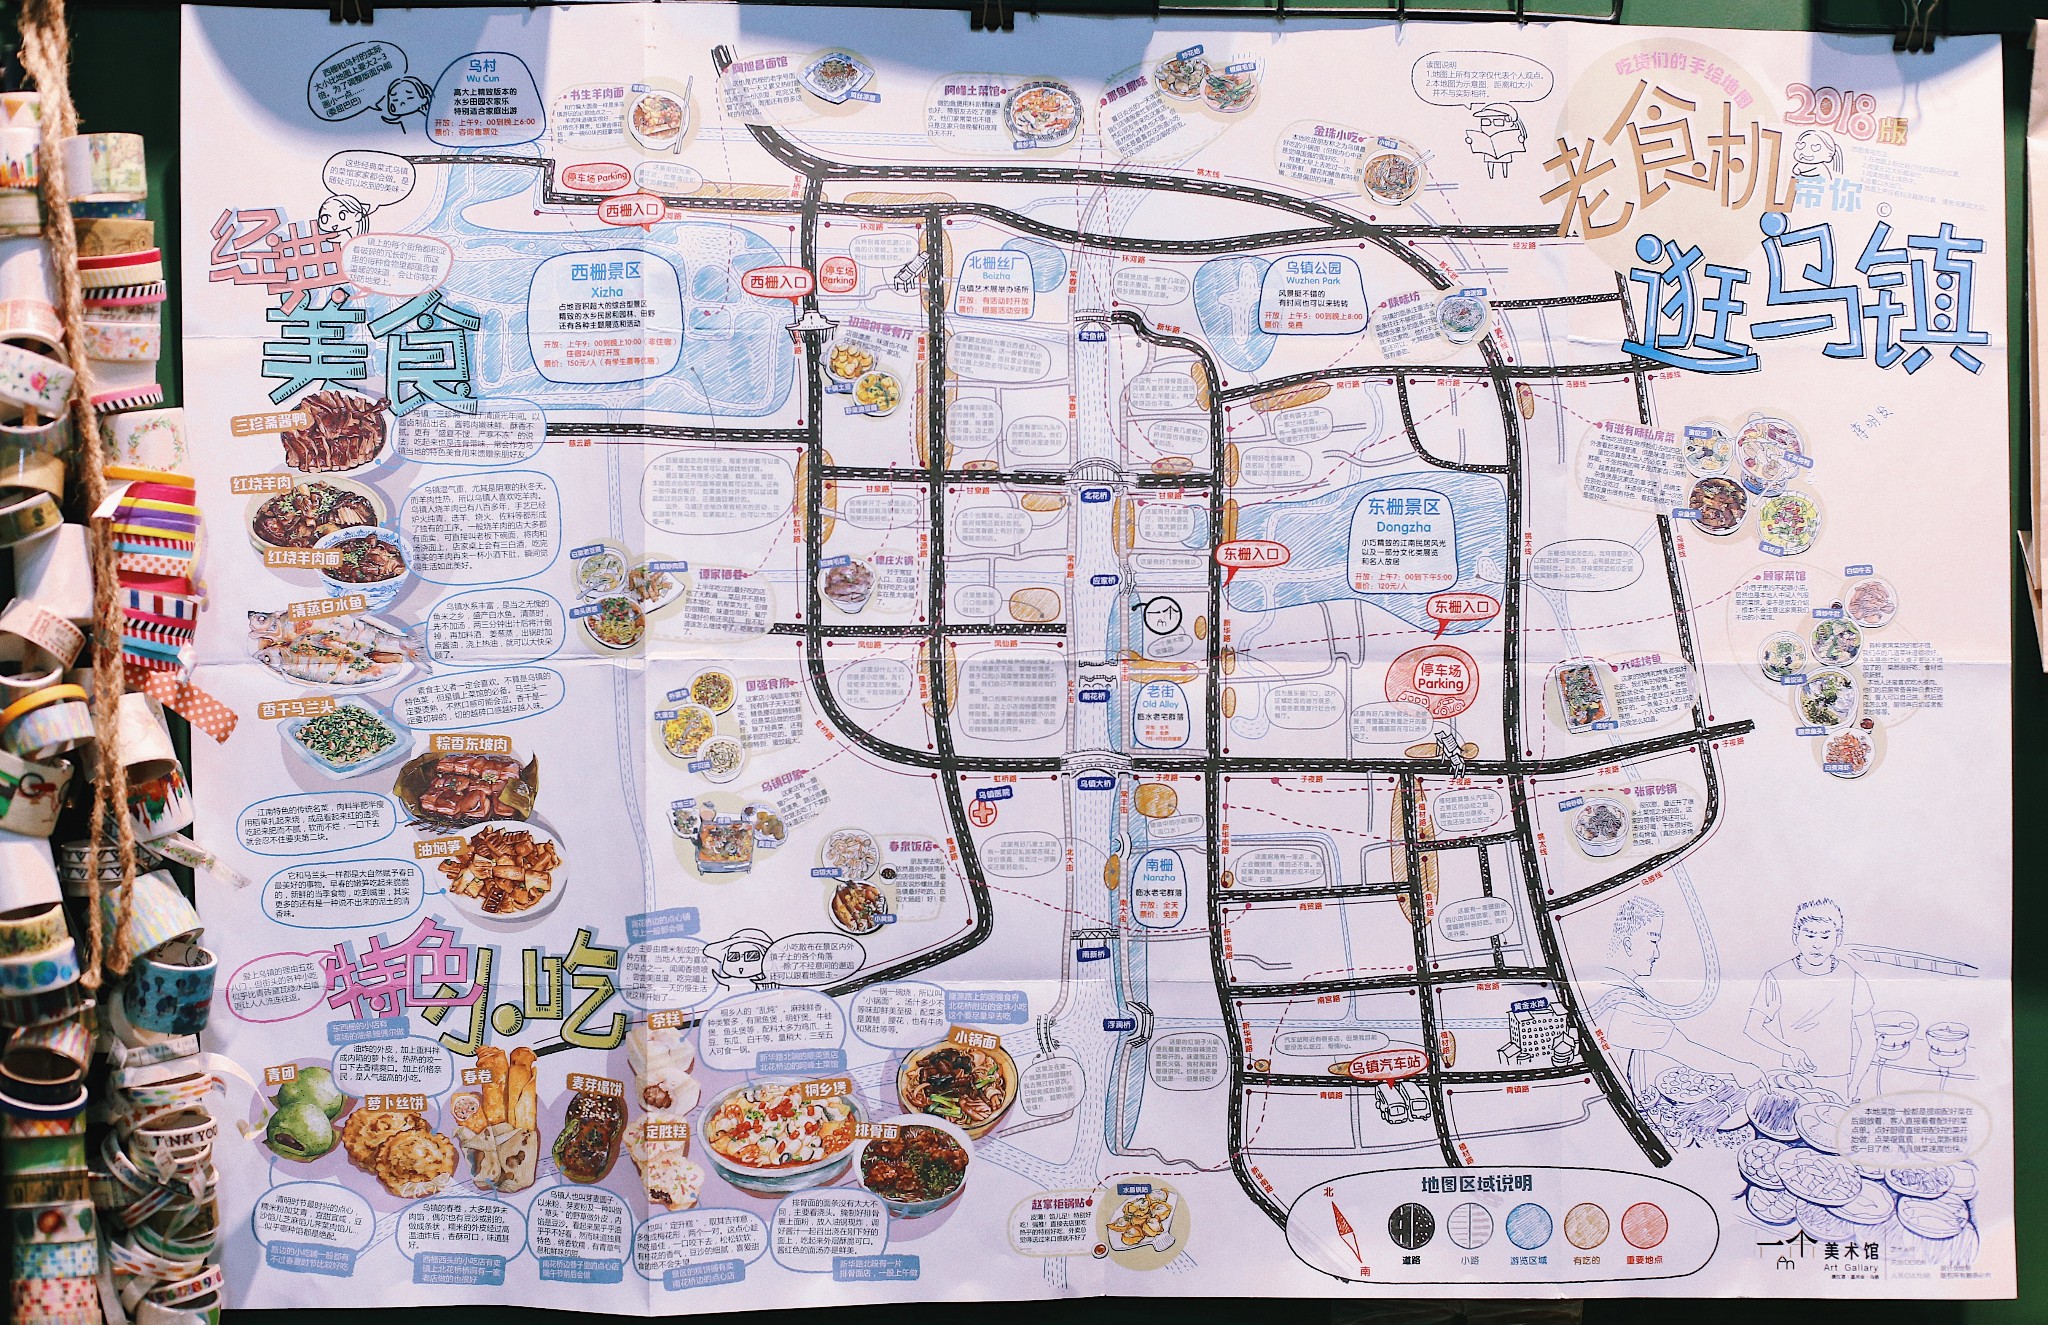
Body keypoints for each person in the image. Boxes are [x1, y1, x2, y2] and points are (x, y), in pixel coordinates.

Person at [1587, 896, 1759, 1102]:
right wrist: (1738, 1068)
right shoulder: (1626, 1001)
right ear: (1628, 944)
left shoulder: (1600, 983)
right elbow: (1682, 1048)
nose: (1657, 954)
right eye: (1653, 941)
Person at [1745, 897, 1874, 1100]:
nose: (1817, 945)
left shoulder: (1852, 978)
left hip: (1838, 1081)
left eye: (1825, 937)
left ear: (1838, 938)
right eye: (1810, 935)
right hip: (1791, 1081)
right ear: (1796, 936)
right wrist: (1790, 1051)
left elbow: (1869, 1040)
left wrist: (1854, 1084)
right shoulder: (1777, 976)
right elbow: (1753, 1027)